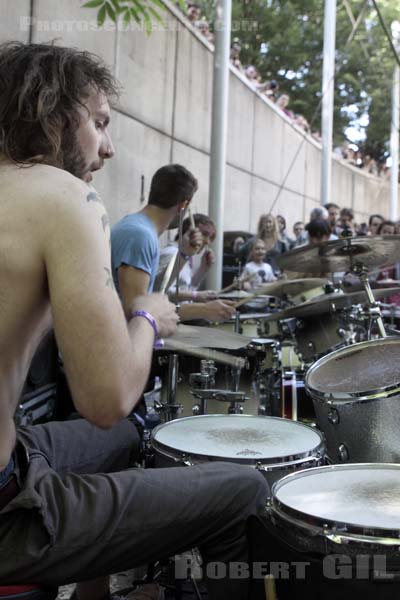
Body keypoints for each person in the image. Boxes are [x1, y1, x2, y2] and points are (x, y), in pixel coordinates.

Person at [0, 42, 268, 600]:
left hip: (15, 447)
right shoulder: (67, 196)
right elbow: (107, 395)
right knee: (244, 491)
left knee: (126, 438)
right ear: (53, 113)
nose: (110, 147)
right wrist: (149, 314)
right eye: (99, 123)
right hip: (5, 510)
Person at [111, 166, 236, 323]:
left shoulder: (138, 228)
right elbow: (138, 313)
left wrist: (183, 254)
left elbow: (155, 293)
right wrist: (203, 309)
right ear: (183, 205)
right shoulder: (140, 235)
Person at [156, 213, 218, 303]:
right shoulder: (171, 253)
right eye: (204, 234)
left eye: (211, 238)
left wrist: (203, 269)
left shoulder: (185, 256)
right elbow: (159, 291)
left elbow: (184, 288)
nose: (208, 241)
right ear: (188, 231)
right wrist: (195, 295)